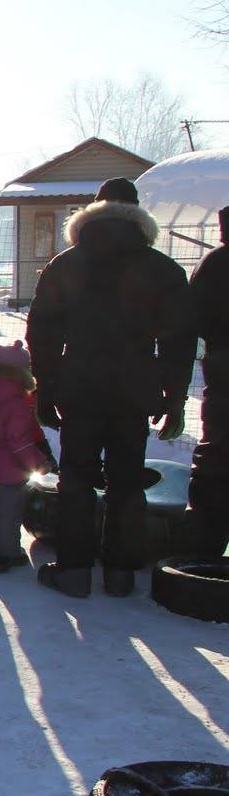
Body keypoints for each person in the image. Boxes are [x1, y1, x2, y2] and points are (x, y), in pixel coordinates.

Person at [29, 178, 195, 596]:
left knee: (77, 478)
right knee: (127, 480)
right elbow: (178, 339)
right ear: (139, 215)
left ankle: (74, 571)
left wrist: (46, 390)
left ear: (93, 211)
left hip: (79, 387)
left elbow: (43, 333)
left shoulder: (67, 264)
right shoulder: (162, 269)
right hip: (134, 390)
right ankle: (120, 575)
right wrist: (174, 398)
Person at [0, 340, 57, 567]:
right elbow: (19, 442)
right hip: (8, 468)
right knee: (9, 513)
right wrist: (39, 463)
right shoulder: (14, 403)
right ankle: (8, 551)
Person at [186, 206, 229, 557]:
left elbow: (192, 318)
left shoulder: (214, 264)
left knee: (217, 456)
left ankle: (205, 552)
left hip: (224, 370)